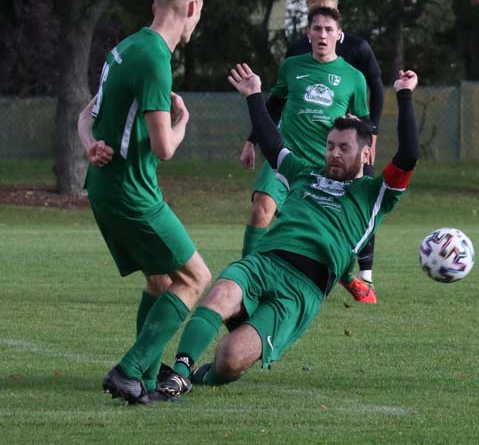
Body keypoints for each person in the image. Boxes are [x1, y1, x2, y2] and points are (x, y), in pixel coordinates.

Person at [153, 63, 418, 400]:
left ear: (366, 154)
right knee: (221, 293)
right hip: (264, 262)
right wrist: (253, 95)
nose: (334, 154)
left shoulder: (374, 194)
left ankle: (204, 375)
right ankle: (179, 374)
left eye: (344, 148)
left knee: (230, 358)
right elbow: (272, 143)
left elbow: (408, 155)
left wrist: (404, 95)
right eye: (330, 146)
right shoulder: (304, 172)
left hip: (302, 290)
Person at [77, 0, 213, 404]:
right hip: (131, 194)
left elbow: (84, 116)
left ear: (155, 5)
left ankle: (147, 384)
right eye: (199, 13)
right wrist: (182, 121)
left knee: (160, 281)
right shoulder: (155, 59)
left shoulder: (125, 48)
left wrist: (89, 145)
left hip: (105, 187)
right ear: (192, 8)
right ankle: (129, 370)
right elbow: (164, 148)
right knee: (195, 277)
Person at [243, 0, 384, 303]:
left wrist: (363, 147)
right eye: (317, 29)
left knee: (328, 229)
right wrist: (251, 140)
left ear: (338, 34)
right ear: (308, 33)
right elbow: (273, 104)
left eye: (328, 29)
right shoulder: (291, 66)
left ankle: (347, 276)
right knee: (261, 210)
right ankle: (246, 279)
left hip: (325, 164)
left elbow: (362, 122)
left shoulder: (354, 77)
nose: (322, 35)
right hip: (286, 156)